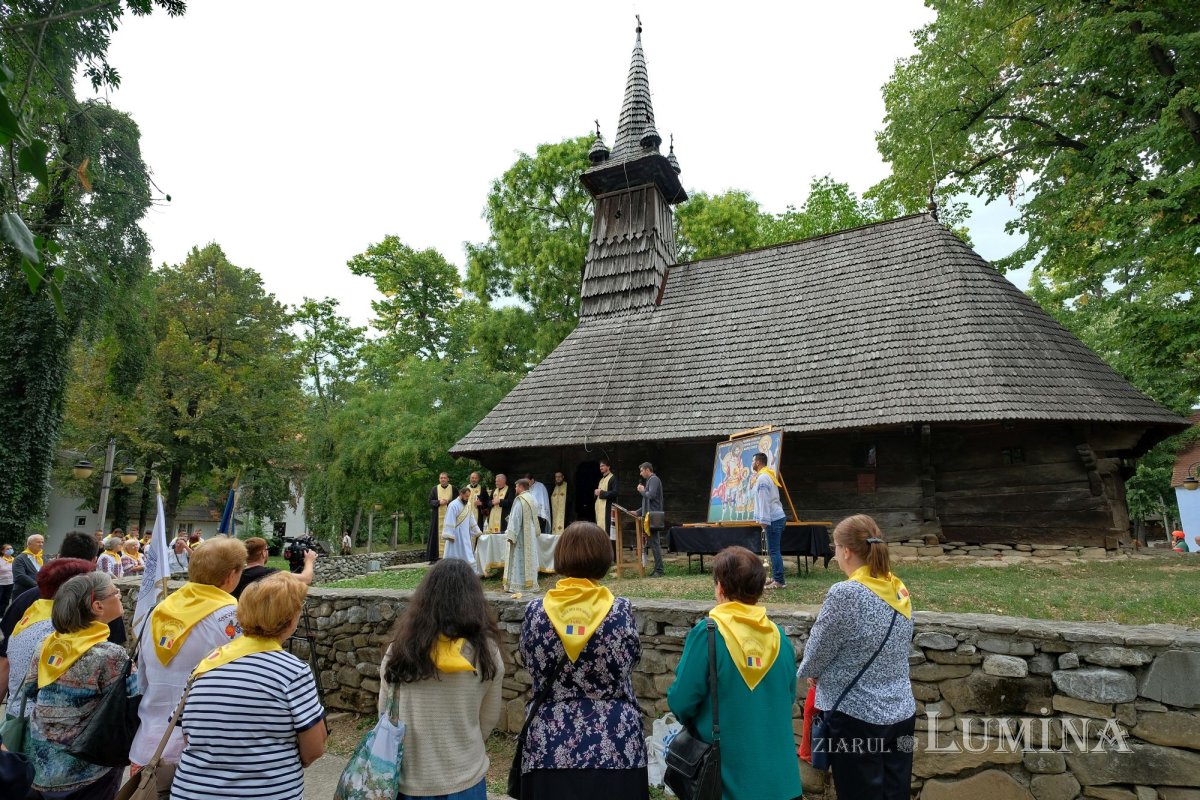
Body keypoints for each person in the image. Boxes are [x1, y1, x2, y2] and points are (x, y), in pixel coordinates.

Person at [517, 521, 647, 798]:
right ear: (604, 558)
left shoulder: (536, 612)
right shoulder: (620, 611)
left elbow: (528, 661)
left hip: (548, 743)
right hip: (616, 742)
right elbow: (632, 659)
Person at [171, 573, 326, 800]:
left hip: (193, 792)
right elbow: (314, 749)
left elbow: (188, 734)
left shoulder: (206, 665)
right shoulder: (292, 671)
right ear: (291, 618)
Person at [667, 546, 802, 800]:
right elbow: (789, 697)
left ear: (720, 587)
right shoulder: (779, 637)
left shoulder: (708, 634)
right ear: (760, 589)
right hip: (782, 782)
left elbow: (681, 701)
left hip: (726, 783)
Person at [797, 514, 915, 800]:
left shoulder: (846, 593)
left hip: (856, 717)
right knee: (895, 794)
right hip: (901, 713)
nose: (835, 554)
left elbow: (815, 656)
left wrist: (812, 669)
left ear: (846, 551)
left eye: (835, 548)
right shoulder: (897, 589)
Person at [129, 537, 247, 794]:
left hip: (148, 745)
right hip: (200, 753)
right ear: (231, 576)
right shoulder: (232, 616)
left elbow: (143, 681)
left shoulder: (158, 611)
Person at [380, 559, 505, 799]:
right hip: (465, 778)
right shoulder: (487, 653)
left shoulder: (399, 651)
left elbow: (385, 712)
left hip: (409, 782)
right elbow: (487, 720)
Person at [23, 572, 132, 800]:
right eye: (115, 592)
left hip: (41, 760)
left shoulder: (48, 644)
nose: (120, 595)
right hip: (87, 766)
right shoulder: (109, 654)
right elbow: (132, 704)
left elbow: (30, 690)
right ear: (98, 606)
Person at [0, 532, 125, 705]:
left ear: (59, 557)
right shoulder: (100, 609)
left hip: (21, 713)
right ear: (94, 562)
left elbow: (5, 660)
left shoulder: (25, 601)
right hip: (74, 723)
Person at [4, 558, 95, 713]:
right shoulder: (59, 629)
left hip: (22, 713)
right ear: (75, 590)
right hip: (40, 723)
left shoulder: (33, 616)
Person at [232, 536, 314, 599]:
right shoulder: (269, 574)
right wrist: (309, 561)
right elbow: (306, 579)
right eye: (267, 549)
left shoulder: (236, 574)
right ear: (263, 553)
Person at [752, 452, 789, 589]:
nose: (752, 464)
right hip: (777, 516)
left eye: (752, 461)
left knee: (774, 550)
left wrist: (763, 520)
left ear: (757, 462)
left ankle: (779, 580)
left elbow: (763, 501)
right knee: (774, 550)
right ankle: (776, 577)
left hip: (772, 518)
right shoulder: (767, 475)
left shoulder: (762, 478)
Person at [503, 478, 542, 594]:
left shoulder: (520, 499)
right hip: (530, 532)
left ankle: (518, 586)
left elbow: (516, 518)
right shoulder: (532, 498)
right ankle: (531, 585)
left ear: (520, 487)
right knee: (529, 558)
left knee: (519, 559)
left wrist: (511, 535)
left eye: (516, 487)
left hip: (521, 535)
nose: (515, 489)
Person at [634, 462, 665, 577]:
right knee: (653, 543)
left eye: (642, 471)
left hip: (654, 516)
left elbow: (650, 495)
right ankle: (658, 569)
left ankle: (659, 570)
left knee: (655, 543)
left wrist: (642, 490)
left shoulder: (654, 479)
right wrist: (637, 512)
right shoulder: (650, 481)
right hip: (650, 516)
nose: (641, 473)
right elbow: (648, 502)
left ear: (647, 470)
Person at [427, 472, 456, 562]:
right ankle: (435, 557)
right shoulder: (435, 489)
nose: (443, 479)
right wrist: (439, 502)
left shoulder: (453, 489)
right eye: (441, 478)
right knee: (435, 536)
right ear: (439, 479)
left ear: (448, 479)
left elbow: (458, 501)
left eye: (444, 478)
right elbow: (430, 501)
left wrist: (448, 502)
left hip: (451, 518)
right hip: (437, 518)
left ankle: (451, 556)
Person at [593, 459, 619, 542]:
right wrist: (596, 492)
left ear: (608, 466)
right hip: (600, 510)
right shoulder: (601, 480)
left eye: (603, 466)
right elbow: (599, 493)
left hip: (607, 509)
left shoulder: (613, 478)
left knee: (608, 532)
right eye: (600, 466)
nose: (601, 468)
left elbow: (615, 493)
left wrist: (601, 493)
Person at [0, 542, 14, 613]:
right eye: (7, 549)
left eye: (11, 548)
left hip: (10, 583)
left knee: (6, 600)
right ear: (2, 551)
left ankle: (1, 615)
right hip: (1, 583)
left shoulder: (14, 560)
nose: (10, 550)